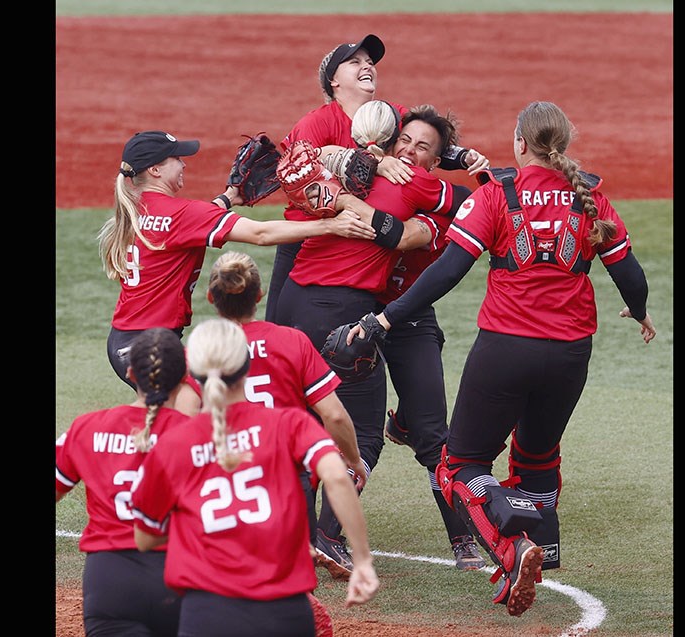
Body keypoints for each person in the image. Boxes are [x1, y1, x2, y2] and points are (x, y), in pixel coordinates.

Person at [348, 101, 657, 617]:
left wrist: (385, 319)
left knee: (461, 464)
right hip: (570, 355)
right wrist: (640, 312)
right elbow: (631, 274)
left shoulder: (498, 195)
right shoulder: (591, 198)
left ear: (519, 143)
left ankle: (514, 552)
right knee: (537, 457)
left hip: (505, 349)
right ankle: (543, 545)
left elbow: (444, 274)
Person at [274, 101, 486, 576]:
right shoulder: (382, 174)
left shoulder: (352, 175)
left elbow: (402, 234)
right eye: (403, 142)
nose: (410, 151)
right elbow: (405, 227)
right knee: (363, 435)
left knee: (420, 430)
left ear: (438, 158)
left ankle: (459, 537)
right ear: (386, 146)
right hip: (347, 311)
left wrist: (347, 194)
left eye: (424, 147)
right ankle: (325, 536)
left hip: (389, 315)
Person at [130, 318, 379, 637]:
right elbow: (337, 477)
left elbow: (145, 538)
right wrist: (361, 560)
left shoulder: (173, 444)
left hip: (206, 614)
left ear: (191, 373)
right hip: (284, 611)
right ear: (246, 367)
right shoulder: (289, 424)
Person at [98, 129, 375, 397]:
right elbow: (261, 234)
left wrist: (229, 198)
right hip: (149, 346)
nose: (183, 164)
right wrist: (330, 225)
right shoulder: (180, 214)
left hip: (128, 340)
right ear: (155, 170)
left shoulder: (138, 209)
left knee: (187, 413)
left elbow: (189, 223)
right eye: (176, 159)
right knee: (202, 410)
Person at [264, 34, 482, 324]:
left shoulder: (390, 114)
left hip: (367, 244)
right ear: (334, 81)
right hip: (307, 238)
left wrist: (464, 156)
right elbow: (297, 178)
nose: (366, 65)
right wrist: (372, 161)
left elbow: (428, 139)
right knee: (278, 325)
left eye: (369, 61)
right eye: (354, 62)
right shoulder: (316, 123)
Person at [206, 249, 366, 579]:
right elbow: (333, 415)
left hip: (227, 481)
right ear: (259, 295)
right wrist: (352, 460)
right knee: (294, 586)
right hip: (287, 481)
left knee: (230, 578)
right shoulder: (291, 341)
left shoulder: (202, 348)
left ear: (211, 298)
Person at [55, 328, 193, 636]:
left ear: (130, 373)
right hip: (180, 580)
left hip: (109, 583)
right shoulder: (201, 438)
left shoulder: (86, 428)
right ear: (184, 378)